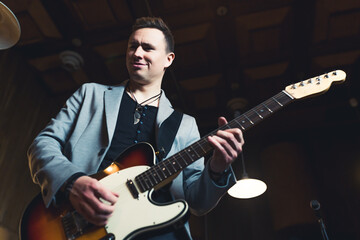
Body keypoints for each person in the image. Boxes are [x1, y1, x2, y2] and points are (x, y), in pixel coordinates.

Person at [28, 17, 244, 239]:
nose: (137, 53)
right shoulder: (90, 94)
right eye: (133, 46)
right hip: (77, 222)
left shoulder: (184, 125)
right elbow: (43, 144)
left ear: (168, 59)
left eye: (148, 48)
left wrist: (217, 168)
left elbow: (197, 201)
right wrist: (72, 182)